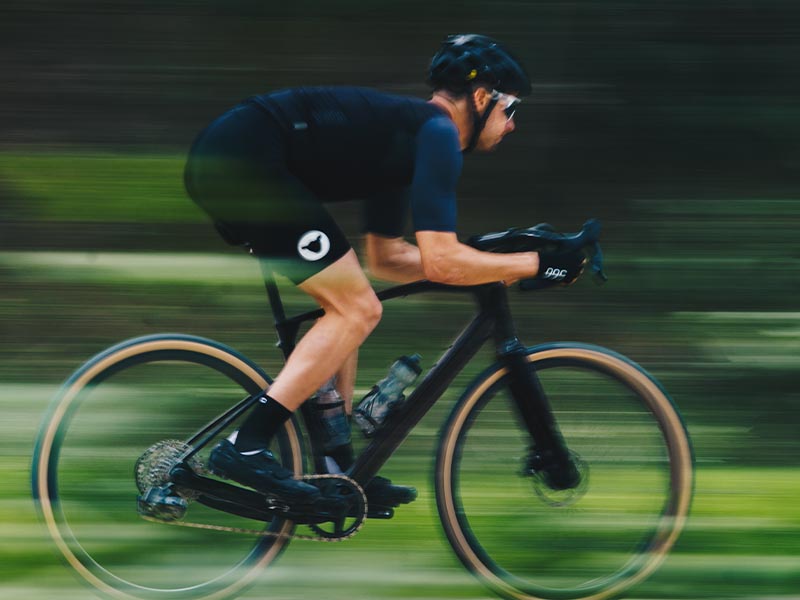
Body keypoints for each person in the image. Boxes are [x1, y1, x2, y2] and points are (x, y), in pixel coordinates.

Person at [183, 34, 586, 510]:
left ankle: (335, 471)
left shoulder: (409, 137)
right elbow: (441, 260)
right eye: (510, 109)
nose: (512, 125)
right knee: (356, 308)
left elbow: (390, 258)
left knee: (348, 302)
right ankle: (244, 446)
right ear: (481, 97)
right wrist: (537, 264)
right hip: (244, 161)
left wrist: (497, 267)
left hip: (238, 158)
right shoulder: (436, 135)